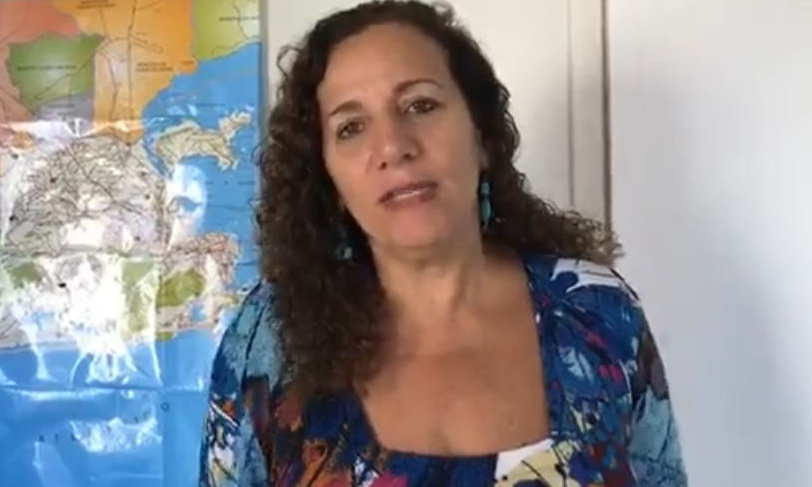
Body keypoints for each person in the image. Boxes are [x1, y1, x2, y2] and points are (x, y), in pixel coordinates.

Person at [198, 1, 687, 486]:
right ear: (329, 181)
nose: (393, 146)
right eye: (351, 127)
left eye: (420, 105)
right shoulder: (269, 340)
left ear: (482, 136)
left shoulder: (598, 313)